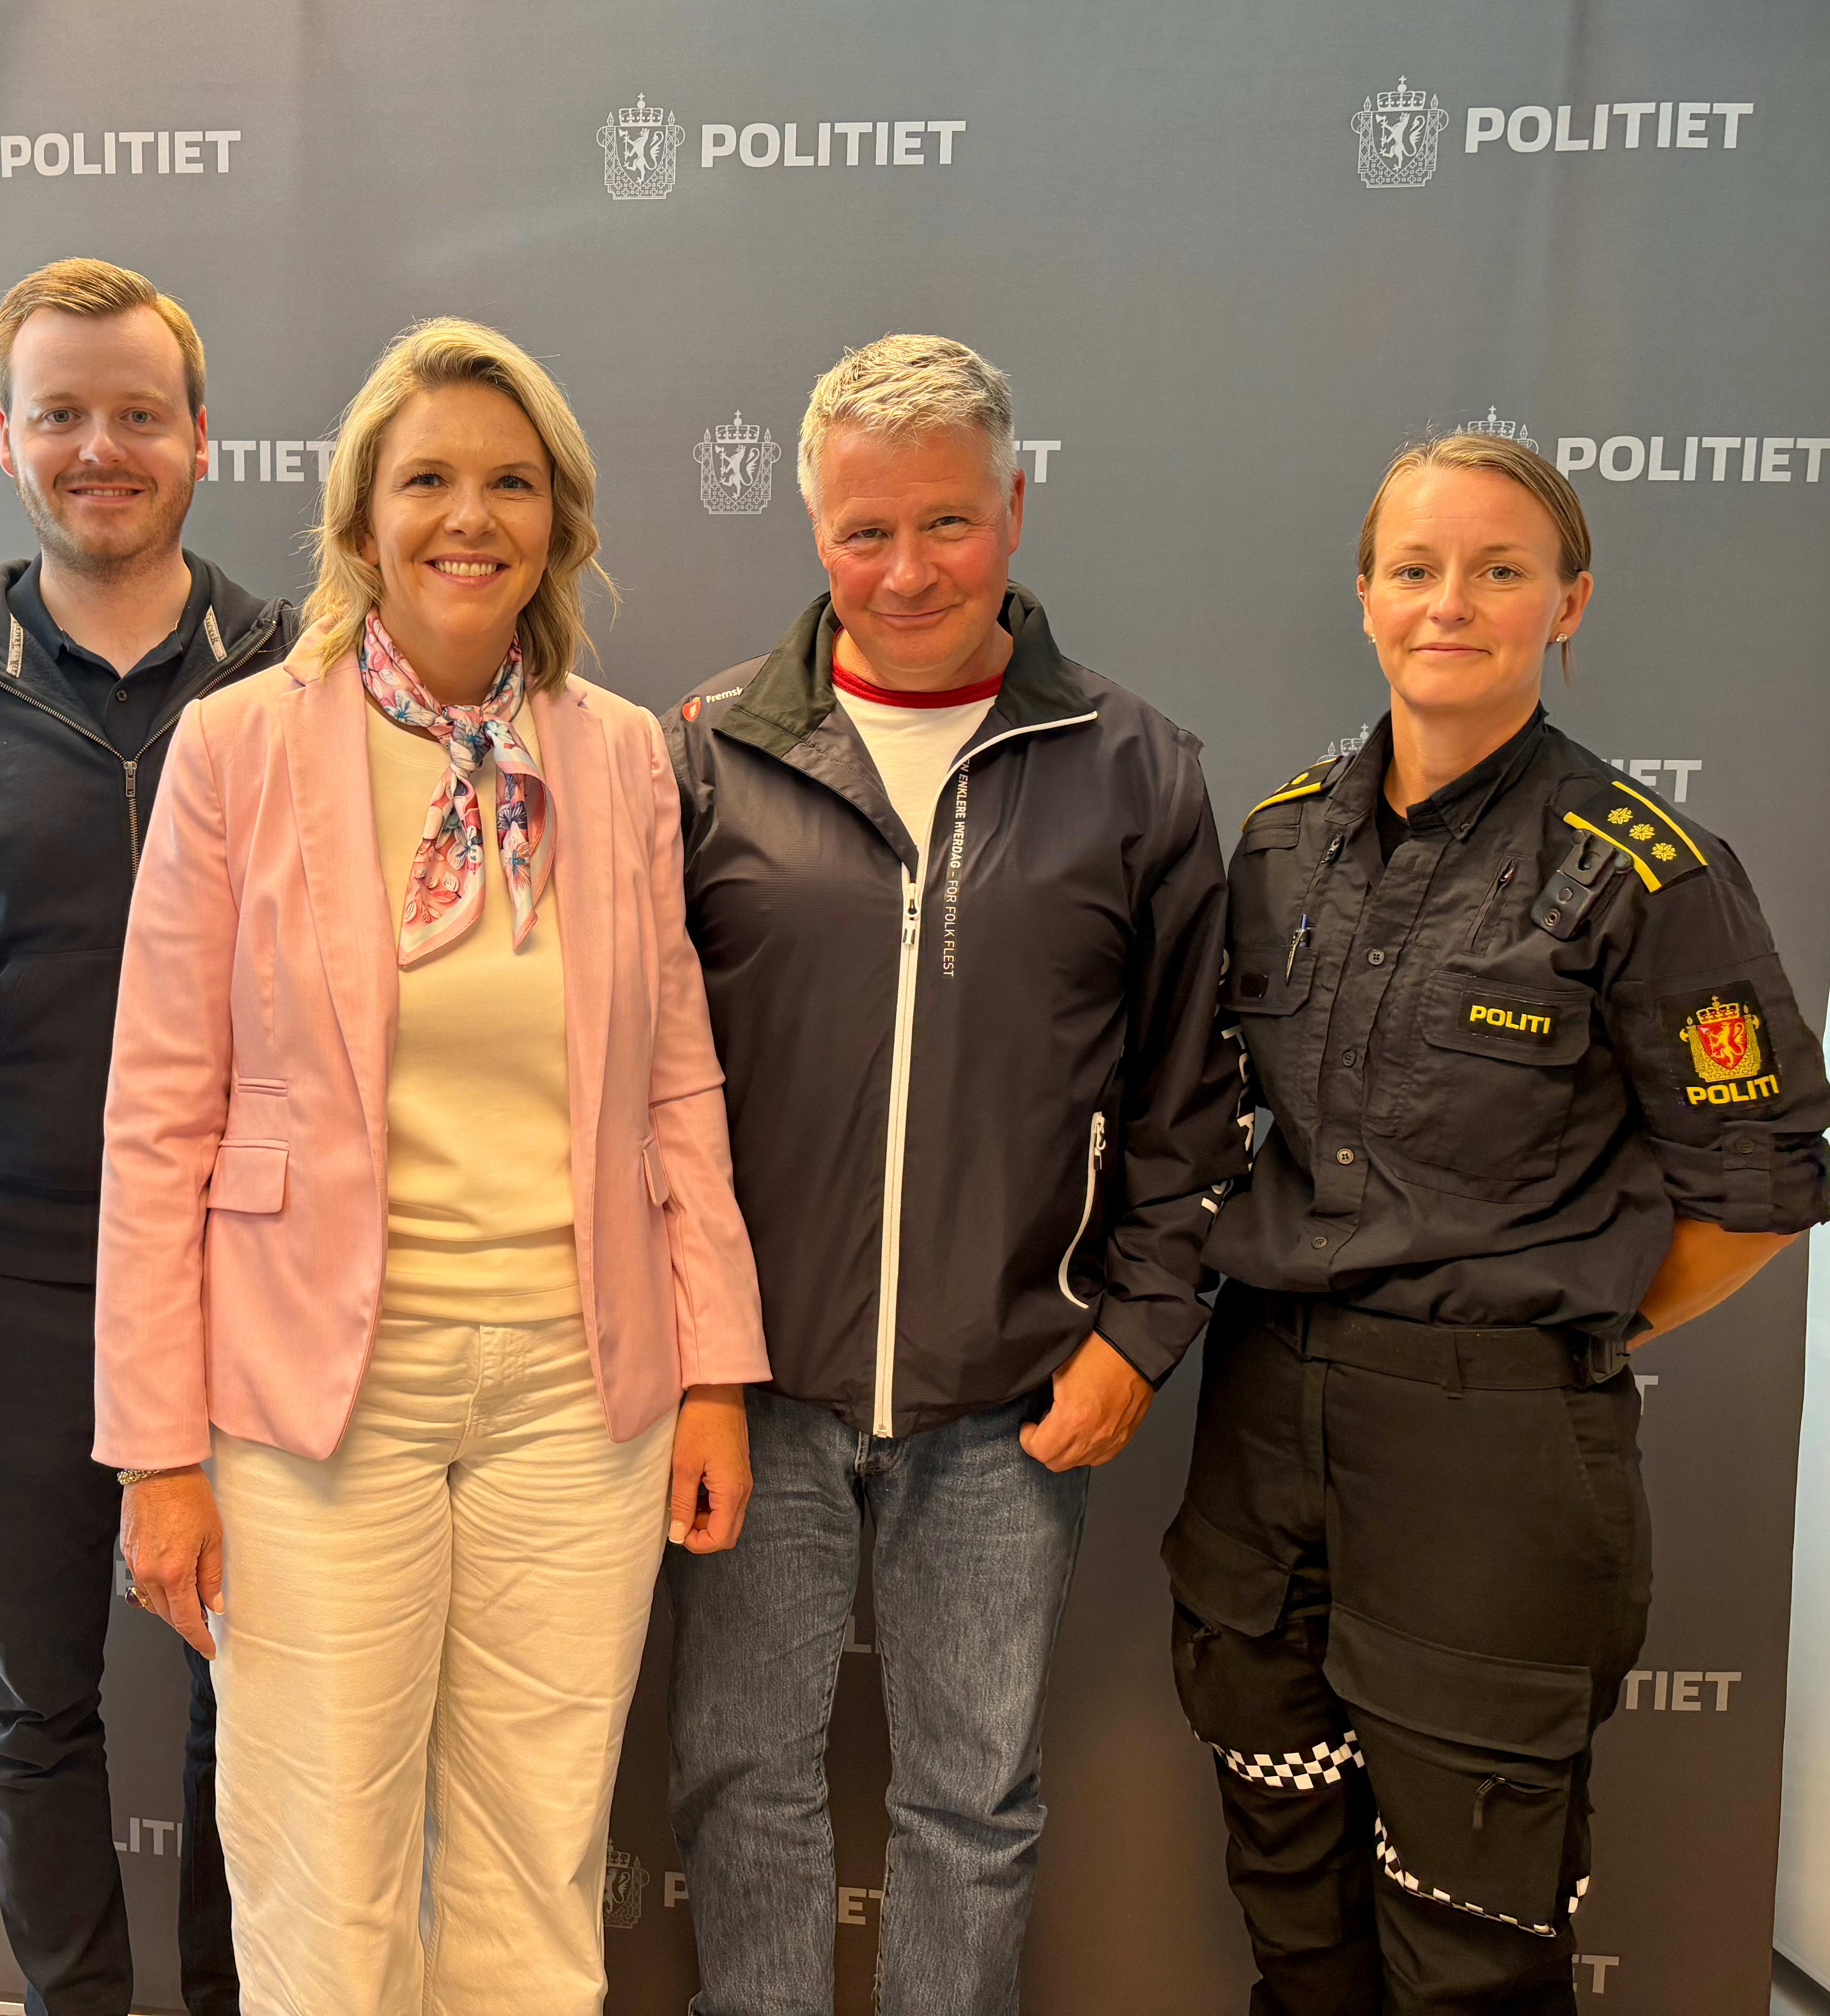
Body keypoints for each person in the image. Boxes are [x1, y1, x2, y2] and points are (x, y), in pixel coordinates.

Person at [97, 317, 768, 2015]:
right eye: (427, 482)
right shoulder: (239, 747)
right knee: (322, 1865)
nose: (468, 518)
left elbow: (677, 1080)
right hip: (316, 1396)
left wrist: (714, 1375)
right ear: (359, 518)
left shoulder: (619, 755)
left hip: (578, 1393)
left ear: (558, 521)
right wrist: (155, 1452)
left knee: (537, 1854)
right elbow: (159, 1110)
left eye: (509, 484)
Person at [1169, 430, 1828, 2014]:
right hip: (1264, 1421)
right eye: (1415, 568)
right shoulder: (1278, 844)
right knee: (1285, 1880)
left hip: (1494, 1455)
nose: (1448, 603)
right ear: (1365, 596)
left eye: (1499, 570)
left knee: (1472, 1931)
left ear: (1567, 603)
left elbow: (1759, 1186)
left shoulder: (1645, 869)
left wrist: (1564, 1318)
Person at [661, 333, 1244, 2014]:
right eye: (864, 532)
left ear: (1015, 505)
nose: (906, 572)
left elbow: (1190, 1095)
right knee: (739, 1780)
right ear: (813, 530)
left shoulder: (1135, 768)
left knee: (970, 1802)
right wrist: (696, 1361)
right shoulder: (707, 754)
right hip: (756, 1387)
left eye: (946, 524)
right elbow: (647, 1093)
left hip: (1014, 1391)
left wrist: (1136, 1335)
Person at [0, 256, 296, 2016]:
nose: (97, 448)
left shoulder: (295, 669)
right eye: (60, 415)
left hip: (255, 1263)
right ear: (6, 439)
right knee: (36, 1700)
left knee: (252, 1691)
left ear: (200, 438)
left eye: (135, 414)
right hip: (13, 1270)